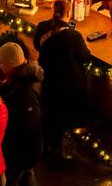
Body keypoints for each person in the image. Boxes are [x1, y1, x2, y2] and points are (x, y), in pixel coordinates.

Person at [0, 42, 43, 186]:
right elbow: (12, 88)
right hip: (33, 147)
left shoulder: (17, 95)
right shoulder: (30, 79)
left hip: (16, 151)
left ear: (10, 66)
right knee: (29, 183)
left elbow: (8, 121)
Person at [38, 17, 92, 165]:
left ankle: (48, 150)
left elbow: (41, 59)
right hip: (69, 85)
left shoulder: (44, 34)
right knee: (63, 119)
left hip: (50, 84)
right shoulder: (73, 36)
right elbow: (85, 56)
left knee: (52, 118)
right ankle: (58, 156)